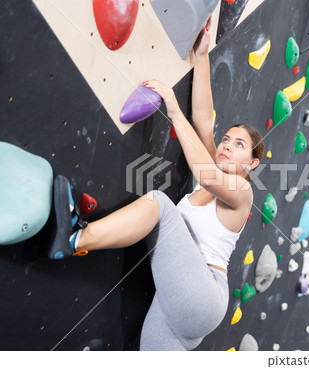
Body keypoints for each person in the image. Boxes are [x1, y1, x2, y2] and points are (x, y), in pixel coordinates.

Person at [48, 18, 265, 350]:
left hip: (203, 295)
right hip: (181, 299)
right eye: (227, 139)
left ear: (251, 164)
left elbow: (205, 171)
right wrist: (202, 56)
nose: (225, 145)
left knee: (160, 206)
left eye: (238, 146)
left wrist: (173, 110)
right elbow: (205, 122)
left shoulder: (244, 193)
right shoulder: (210, 177)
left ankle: (75, 237)